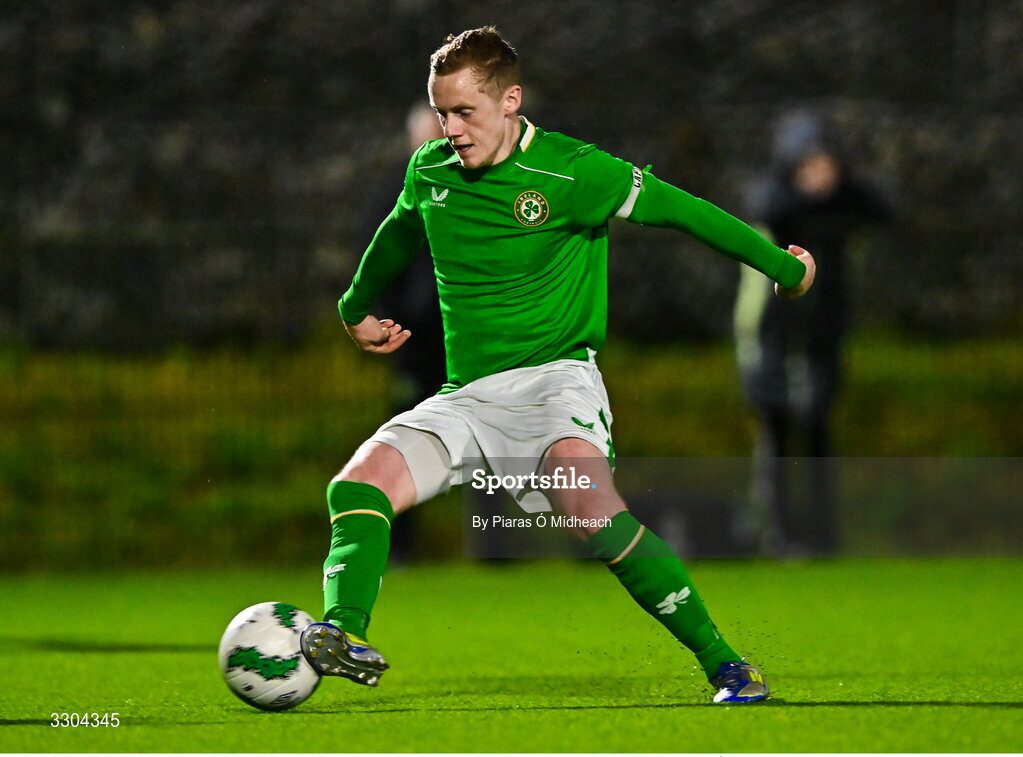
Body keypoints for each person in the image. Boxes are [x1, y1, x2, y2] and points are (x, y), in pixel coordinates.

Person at [300, 27, 815, 704]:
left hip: (554, 383)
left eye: (463, 112)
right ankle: (343, 631)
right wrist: (354, 306)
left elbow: (684, 212)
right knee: (358, 485)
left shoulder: (573, 170)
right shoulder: (430, 171)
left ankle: (726, 664)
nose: (448, 128)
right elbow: (398, 231)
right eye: (441, 112)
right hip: (467, 397)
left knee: (590, 510)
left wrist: (784, 269)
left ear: (510, 100)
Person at [734, 111, 890, 557]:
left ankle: (823, 537)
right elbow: (767, 207)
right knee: (777, 434)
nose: (818, 175)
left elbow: (883, 209)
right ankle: (779, 536)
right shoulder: (778, 206)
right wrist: (809, 193)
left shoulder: (845, 205)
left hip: (823, 335)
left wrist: (838, 188)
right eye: (808, 165)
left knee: (818, 430)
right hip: (770, 335)